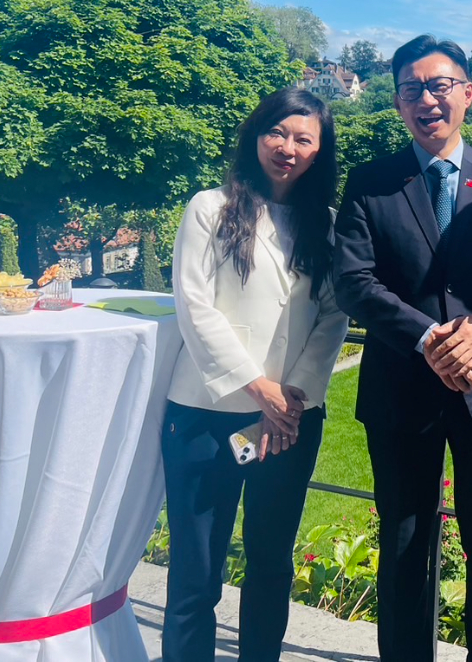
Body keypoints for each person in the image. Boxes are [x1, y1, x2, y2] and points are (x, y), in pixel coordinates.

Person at [333, 35, 472, 662]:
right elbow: (353, 280)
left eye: (439, 86)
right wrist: (429, 338)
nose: (426, 99)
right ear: (398, 100)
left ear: (467, 94)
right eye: (411, 89)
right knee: (404, 545)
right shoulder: (372, 181)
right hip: (402, 391)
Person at [163, 87, 350, 661]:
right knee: (197, 569)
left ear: (320, 151)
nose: (287, 148)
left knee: (271, 562)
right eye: (277, 132)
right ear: (255, 135)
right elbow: (195, 307)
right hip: (207, 415)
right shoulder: (210, 208)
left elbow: (334, 316)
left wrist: (290, 400)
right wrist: (258, 388)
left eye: (303, 139)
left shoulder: (331, 226)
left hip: (289, 423)